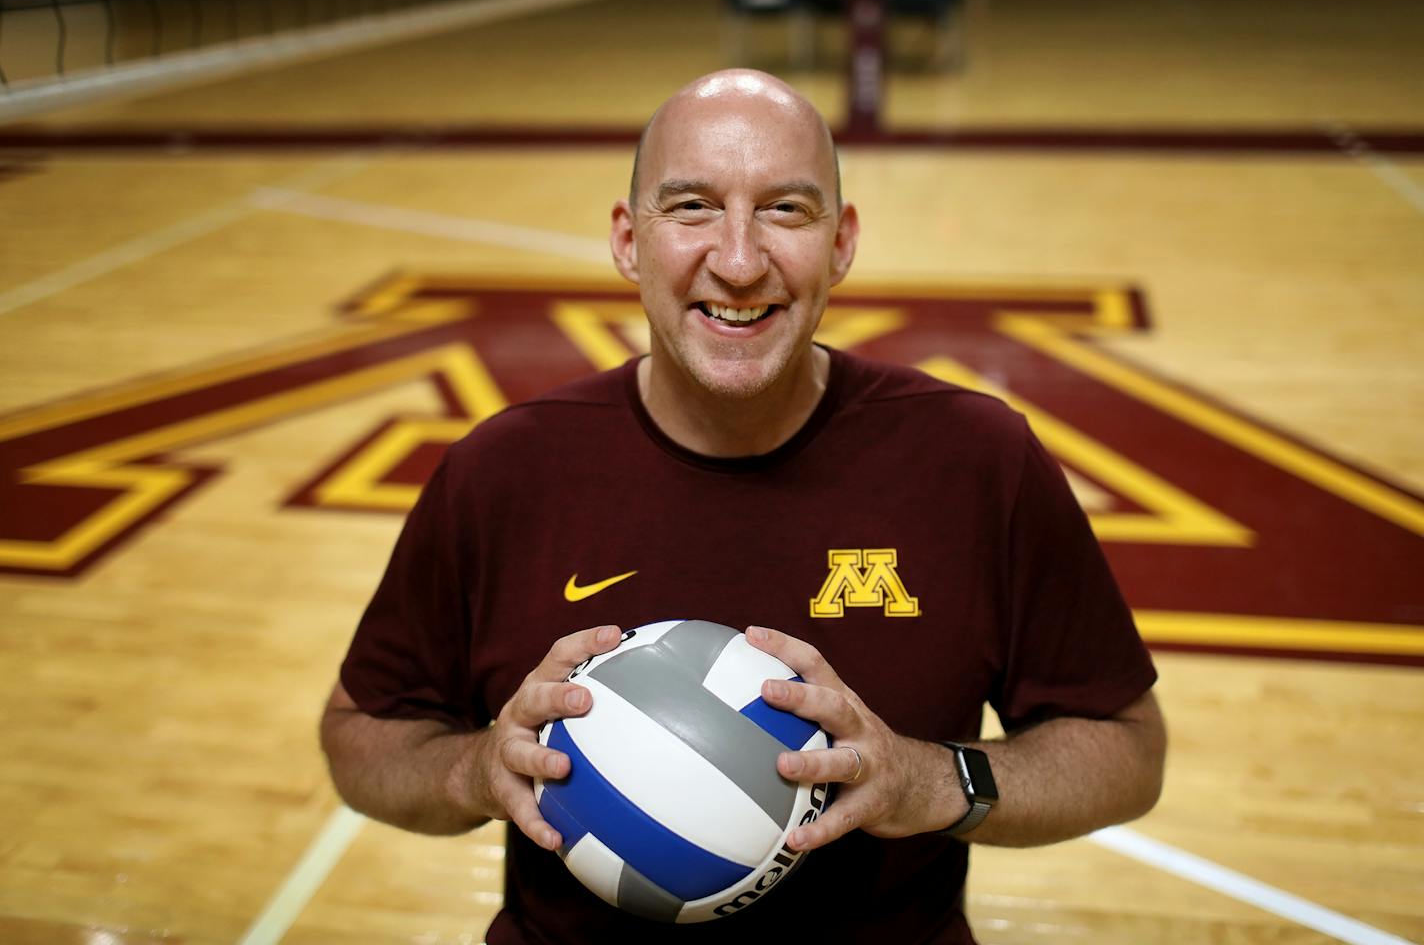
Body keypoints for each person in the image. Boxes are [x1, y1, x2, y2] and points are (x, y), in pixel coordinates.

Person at [320, 69, 1166, 944]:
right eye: (691, 206)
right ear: (626, 239)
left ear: (841, 243)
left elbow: (1129, 753)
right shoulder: (502, 473)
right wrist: (469, 772)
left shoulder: (976, 460)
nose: (737, 260)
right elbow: (361, 739)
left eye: (785, 211)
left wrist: (927, 783)